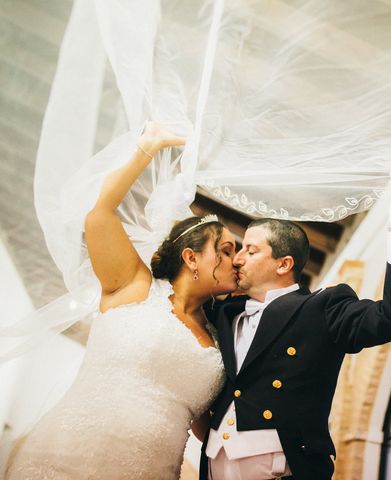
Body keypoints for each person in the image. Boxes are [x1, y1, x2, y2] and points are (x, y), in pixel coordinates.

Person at [6, 123, 236, 479]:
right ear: (192, 259)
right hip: (63, 461)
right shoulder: (134, 286)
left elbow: (206, 428)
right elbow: (99, 214)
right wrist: (150, 147)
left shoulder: (222, 341)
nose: (235, 261)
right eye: (225, 251)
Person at [198, 179, 391, 480]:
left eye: (250, 251)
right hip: (214, 463)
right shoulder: (225, 312)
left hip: (284, 467)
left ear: (283, 264)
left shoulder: (322, 307)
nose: (237, 259)